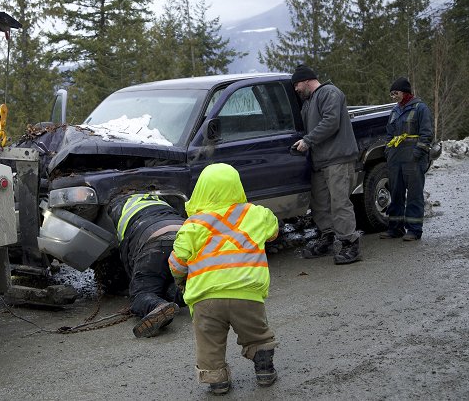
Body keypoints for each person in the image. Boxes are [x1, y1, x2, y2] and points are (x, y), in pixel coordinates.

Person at [169, 163, 279, 395]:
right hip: (247, 293)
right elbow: (273, 231)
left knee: (209, 342)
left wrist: (181, 280)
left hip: (205, 298)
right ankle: (265, 369)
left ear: (201, 190)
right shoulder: (256, 214)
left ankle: (217, 381)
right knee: (257, 334)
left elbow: (177, 263)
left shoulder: (193, 225)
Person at [291, 64, 361, 265]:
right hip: (320, 162)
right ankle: (328, 238)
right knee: (320, 204)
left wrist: (308, 140)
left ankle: (351, 244)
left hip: (338, 159)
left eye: (297, 84)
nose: (296, 89)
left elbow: (331, 122)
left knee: (340, 203)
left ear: (306, 80)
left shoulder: (329, 93)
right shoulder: (308, 102)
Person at [107, 193, 185, 338]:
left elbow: (121, 254)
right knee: (180, 284)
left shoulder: (115, 208)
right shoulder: (160, 200)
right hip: (184, 236)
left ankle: (157, 306)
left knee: (142, 293)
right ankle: (180, 292)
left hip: (152, 240)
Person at [380, 77, 433, 241]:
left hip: (413, 158)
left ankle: (414, 230)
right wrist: (389, 151)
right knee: (396, 193)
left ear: (405, 92)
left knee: (414, 195)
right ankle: (395, 228)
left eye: (395, 93)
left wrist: (417, 154)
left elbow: (427, 134)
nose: (393, 96)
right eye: (391, 94)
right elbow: (390, 133)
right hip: (396, 157)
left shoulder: (420, 108)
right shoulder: (395, 111)